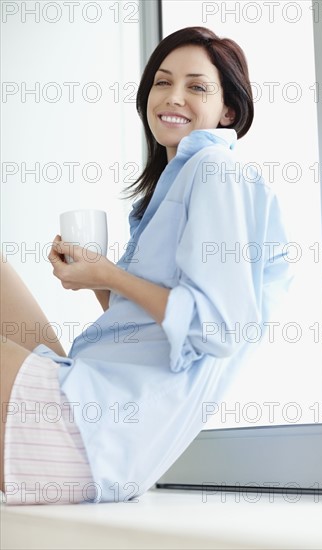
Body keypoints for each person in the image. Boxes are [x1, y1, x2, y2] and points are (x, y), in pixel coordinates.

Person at [0, 27, 291, 505]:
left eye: (197, 86)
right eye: (162, 81)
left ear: (228, 111)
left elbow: (215, 328)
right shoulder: (175, 186)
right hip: (92, 403)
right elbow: (145, 330)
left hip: (92, 434)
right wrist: (96, 281)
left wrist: (108, 274)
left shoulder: (216, 169)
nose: (173, 96)